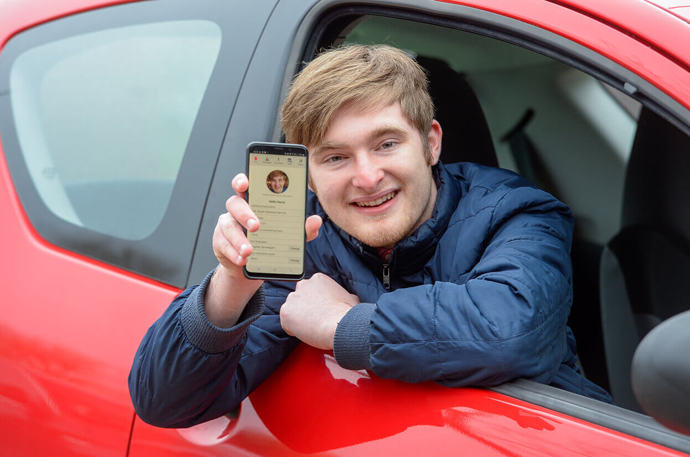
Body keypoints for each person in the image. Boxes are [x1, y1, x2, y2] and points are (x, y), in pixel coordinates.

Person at [129, 44, 611, 428]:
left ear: (431, 143)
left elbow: (511, 331)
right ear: (310, 176)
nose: (366, 176)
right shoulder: (303, 241)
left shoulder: (519, 211)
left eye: (386, 144)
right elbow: (162, 401)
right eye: (335, 157)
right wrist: (232, 283)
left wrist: (343, 324)